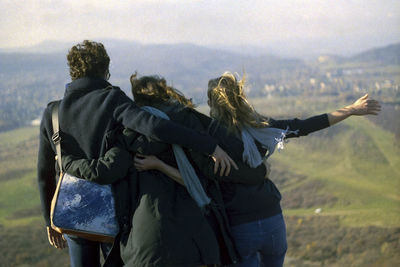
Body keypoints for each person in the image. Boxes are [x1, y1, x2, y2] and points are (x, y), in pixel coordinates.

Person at [37, 40, 236, 267]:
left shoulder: (52, 113)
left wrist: (48, 220)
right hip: (113, 209)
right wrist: (209, 146)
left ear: (72, 72)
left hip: (73, 211)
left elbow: (44, 173)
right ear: (105, 70)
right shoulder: (111, 99)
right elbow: (154, 126)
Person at [62, 74, 269, 266]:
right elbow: (199, 181)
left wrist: (66, 161)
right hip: (194, 241)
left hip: (147, 244)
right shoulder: (186, 128)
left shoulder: (128, 136)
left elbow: (104, 170)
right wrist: (257, 171)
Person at [203, 72, 381, 267]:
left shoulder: (209, 138)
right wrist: (351, 110)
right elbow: (304, 126)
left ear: (213, 103)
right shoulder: (261, 127)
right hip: (273, 221)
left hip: (240, 226)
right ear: (240, 97)